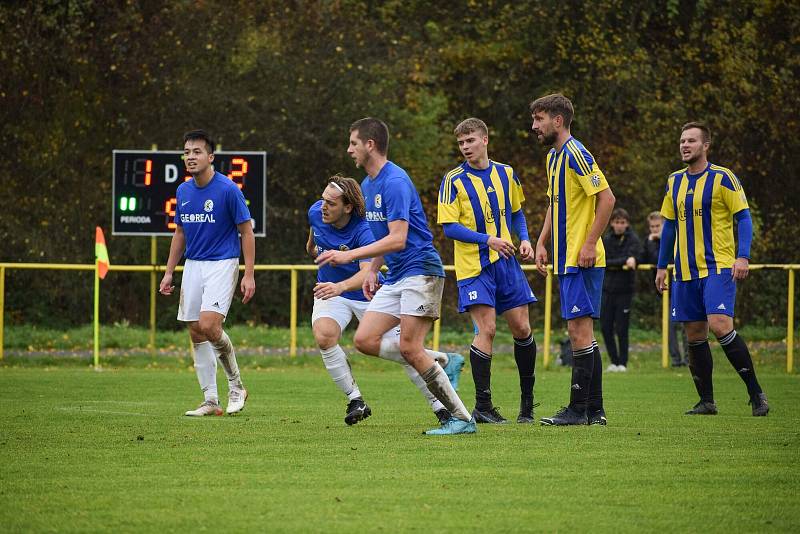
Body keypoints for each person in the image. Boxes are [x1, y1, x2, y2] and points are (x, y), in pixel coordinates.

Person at [316, 117, 475, 435]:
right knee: (365, 340)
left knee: (409, 348)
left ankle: (462, 419)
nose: (349, 150)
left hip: (421, 272)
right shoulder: (370, 185)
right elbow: (382, 239)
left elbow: (398, 238)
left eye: (353, 143)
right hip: (398, 275)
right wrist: (374, 270)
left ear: (369, 145)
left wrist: (349, 255)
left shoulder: (395, 181)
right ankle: (442, 359)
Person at [307, 175, 456, 426]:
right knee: (324, 335)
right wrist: (315, 251)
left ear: (348, 207)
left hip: (367, 296)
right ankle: (355, 399)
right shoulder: (316, 212)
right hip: (331, 293)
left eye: (331, 203)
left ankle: (441, 406)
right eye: (323, 200)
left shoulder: (364, 229)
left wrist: (340, 285)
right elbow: (312, 243)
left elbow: (367, 272)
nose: (323, 207)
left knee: (408, 350)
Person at [655, 122, 769, 416]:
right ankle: (707, 401)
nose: (684, 145)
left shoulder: (723, 178)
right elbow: (668, 226)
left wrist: (742, 257)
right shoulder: (674, 181)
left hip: (717, 266)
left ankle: (756, 393)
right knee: (694, 333)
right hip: (684, 271)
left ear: (706, 146)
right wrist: (661, 266)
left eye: (691, 140)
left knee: (719, 325)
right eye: (682, 140)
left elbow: (744, 218)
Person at [436, 117, 538, 424]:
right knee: (488, 330)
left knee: (522, 328)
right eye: (461, 143)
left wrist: (525, 240)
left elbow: (517, 212)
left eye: (470, 141)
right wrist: (488, 239)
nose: (465, 147)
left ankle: (527, 406)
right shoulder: (453, 180)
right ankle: (483, 406)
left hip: (506, 262)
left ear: (485, 140)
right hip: (473, 266)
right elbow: (449, 227)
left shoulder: (506, 173)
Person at [530, 94, 616, 426]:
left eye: (539, 119)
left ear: (558, 120)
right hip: (567, 259)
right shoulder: (554, 158)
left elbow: (606, 198)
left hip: (582, 259)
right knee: (580, 331)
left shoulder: (576, 154)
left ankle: (578, 409)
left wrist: (590, 243)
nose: (534, 126)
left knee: (579, 330)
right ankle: (595, 410)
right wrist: (542, 240)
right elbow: (555, 202)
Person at [159, 130, 255, 416]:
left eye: (197, 151)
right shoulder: (183, 191)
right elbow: (180, 233)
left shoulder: (228, 190)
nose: (191, 156)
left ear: (211, 157)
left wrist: (248, 274)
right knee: (195, 330)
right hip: (193, 265)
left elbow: (246, 231)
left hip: (222, 262)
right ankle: (210, 401)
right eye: (187, 152)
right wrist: (168, 272)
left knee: (210, 326)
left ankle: (237, 386)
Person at [641, 211, 688, 366]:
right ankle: (676, 360)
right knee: (670, 325)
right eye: (652, 227)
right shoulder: (649, 241)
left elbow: (670, 259)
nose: (655, 229)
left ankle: (689, 358)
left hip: (679, 285)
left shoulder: (673, 238)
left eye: (658, 226)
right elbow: (649, 259)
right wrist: (650, 243)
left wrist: (662, 240)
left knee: (685, 324)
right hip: (664, 289)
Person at [600, 208, 642, 372]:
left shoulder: (633, 239)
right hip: (607, 290)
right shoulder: (607, 239)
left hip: (625, 290)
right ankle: (613, 361)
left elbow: (637, 256)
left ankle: (623, 363)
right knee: (605, 326)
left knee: (622, 328)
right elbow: (605, 260)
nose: (619, 225)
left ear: (627, 224)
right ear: (612, 223)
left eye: (622, 222)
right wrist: (624, 261)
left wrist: (629, 260)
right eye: (617, 222)